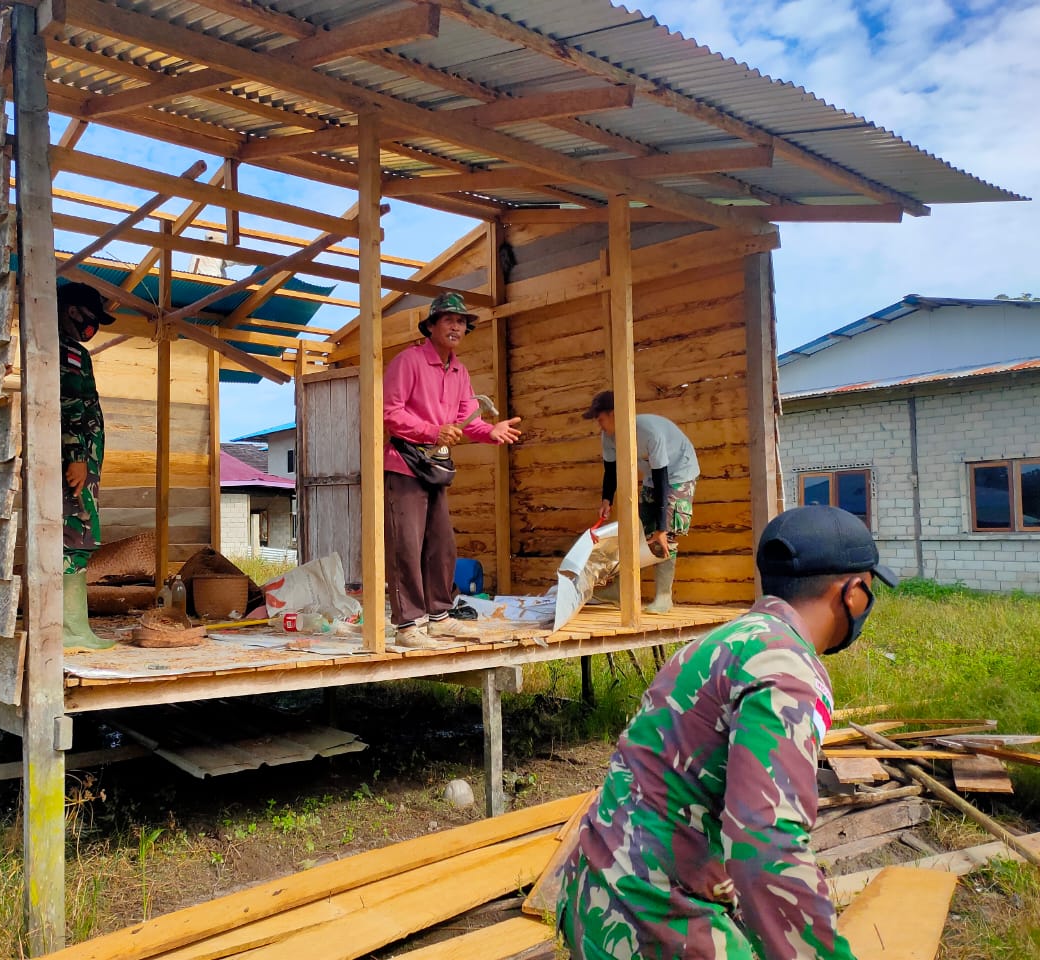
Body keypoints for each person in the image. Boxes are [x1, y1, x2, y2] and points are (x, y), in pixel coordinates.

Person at [557, 504, 899, 960]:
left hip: (588, 894)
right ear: (853, 594)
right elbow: (764, 841)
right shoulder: (787, 670)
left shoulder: (725, 641)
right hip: (650, 923)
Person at [383, 292, 521, 648]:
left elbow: (464, 420)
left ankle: (439, 617)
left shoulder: (460, 371)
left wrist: (490, 431)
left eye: (462, 322)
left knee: (441, 545)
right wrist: (432, 431)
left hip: (435, 466)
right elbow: (389, 413)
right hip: (405, 463)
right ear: (431, 326)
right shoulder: (408, 361)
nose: (457, 326)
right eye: (449, 319)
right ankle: (408, 625)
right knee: (406, 546)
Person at [582, 390, 699, 613]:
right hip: (654, 476)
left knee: (666, 533)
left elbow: (662, 479)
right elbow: (611, 469)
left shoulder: (648, 432)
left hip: (678, 473)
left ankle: (664, 598)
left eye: (601, 419)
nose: (600, 425)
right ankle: (620, 592)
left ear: (614, 413)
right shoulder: (608, 436)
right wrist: (607, 499)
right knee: (641, 531)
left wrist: (662, 527)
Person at [58, 281, 117, 651]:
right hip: (73, 463)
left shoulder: (69, 350)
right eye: (90, 317)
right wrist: (77, 455)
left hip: (79, 462)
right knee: (74, 538)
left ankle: (74, 628)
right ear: (72, 311)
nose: (92, 326)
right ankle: (70, 630)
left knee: (77, 539)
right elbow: (69, 404)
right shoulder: (68, 353)